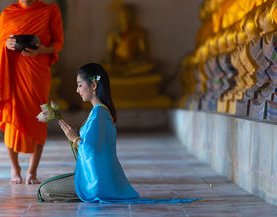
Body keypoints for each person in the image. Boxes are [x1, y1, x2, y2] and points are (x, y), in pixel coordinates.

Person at [37, 63, 199, 203]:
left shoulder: (99, 115)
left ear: (94, 85)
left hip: (97, 182)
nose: (77, 90)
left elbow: (91, 151)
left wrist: (75, 139)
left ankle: (86, 194)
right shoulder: (100, 112)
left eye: (80, 85)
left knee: (45, 190)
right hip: (97, 176)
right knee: (49, 186)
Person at [0, 0, 64, 185]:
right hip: (13, 73)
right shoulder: (7, 14)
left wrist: (41, 51)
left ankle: (32, 170)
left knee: (39, 119)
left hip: (37, 73)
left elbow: (58, 43)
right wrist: (7, 45)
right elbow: (0, 43)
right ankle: (15, 168)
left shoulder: (50, 11)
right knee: (13, 119)